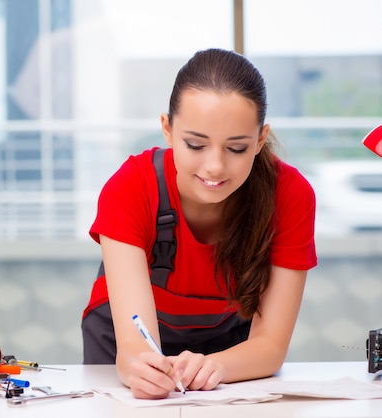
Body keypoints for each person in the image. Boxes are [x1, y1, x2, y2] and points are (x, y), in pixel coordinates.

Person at [81, 48, 317, 399]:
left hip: (232, 351)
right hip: (121, 345)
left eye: (236, 148)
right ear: (167, 129)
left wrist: (218, 366)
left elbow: (269, 345)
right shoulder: (130, 188)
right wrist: (139, 367)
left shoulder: (291, 195)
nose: (215, 167)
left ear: (261, 139)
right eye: (195, 144)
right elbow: (134, 345)